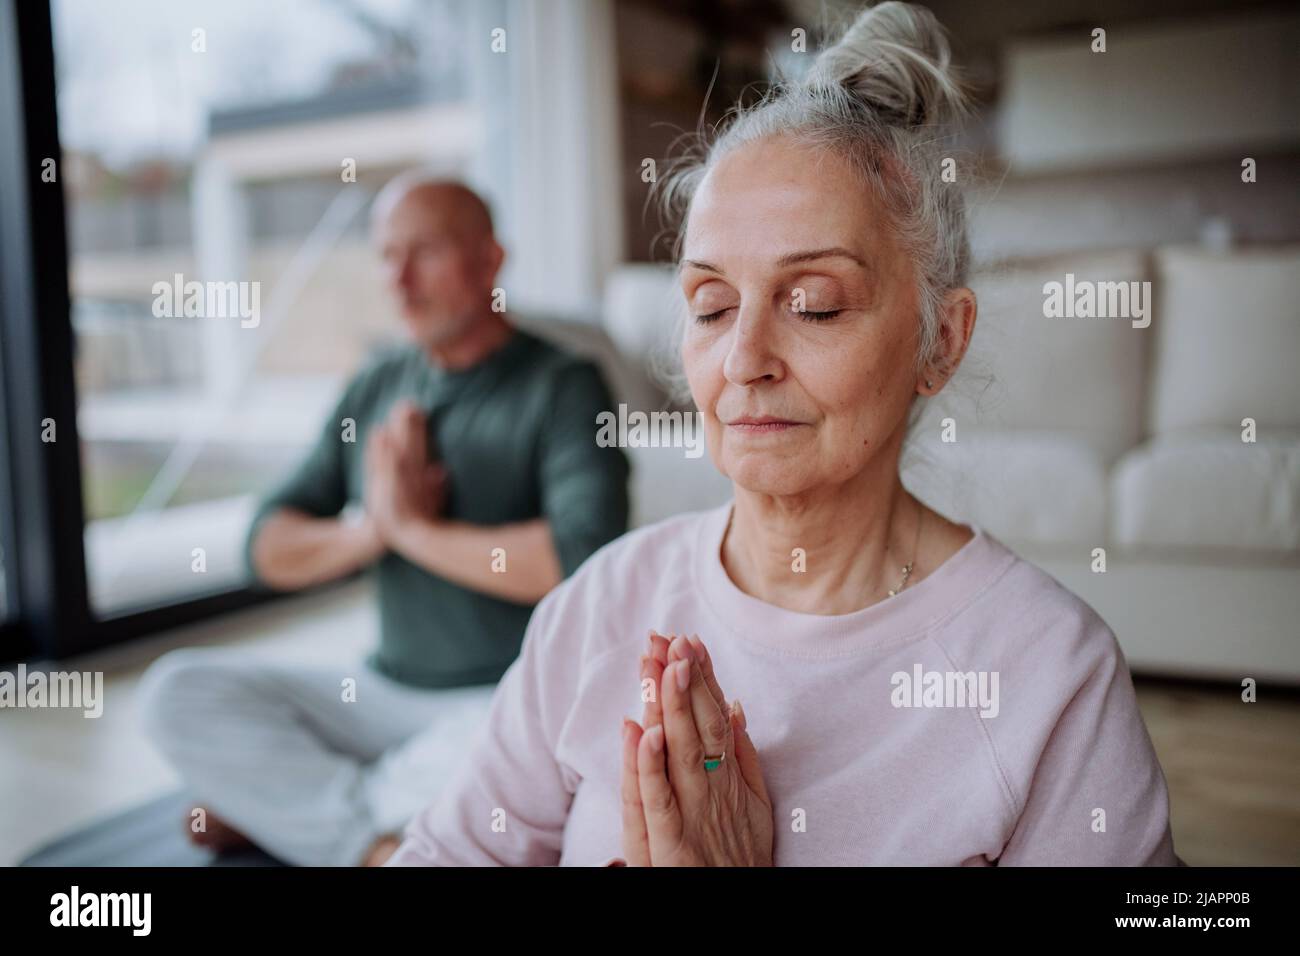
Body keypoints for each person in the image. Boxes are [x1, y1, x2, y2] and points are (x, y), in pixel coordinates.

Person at [387, 2, 1180, 866]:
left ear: (940, 341)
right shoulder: (599, 606)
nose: (744, 359)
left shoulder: (1049, 673)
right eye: (712, 306)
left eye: (814, 305)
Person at [138, 176, 630, 866]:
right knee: (173, 692)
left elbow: (583, 561)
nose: (398, 282)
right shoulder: (376, 382)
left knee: (542, 753)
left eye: (423, 252)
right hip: (378, 692)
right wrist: (373, 529)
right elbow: (265, 546)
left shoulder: (566, 383)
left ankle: (300, 812)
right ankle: (366, 830)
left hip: (499, 700)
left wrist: (416, 533)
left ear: (490, 260)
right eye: (385, 255)